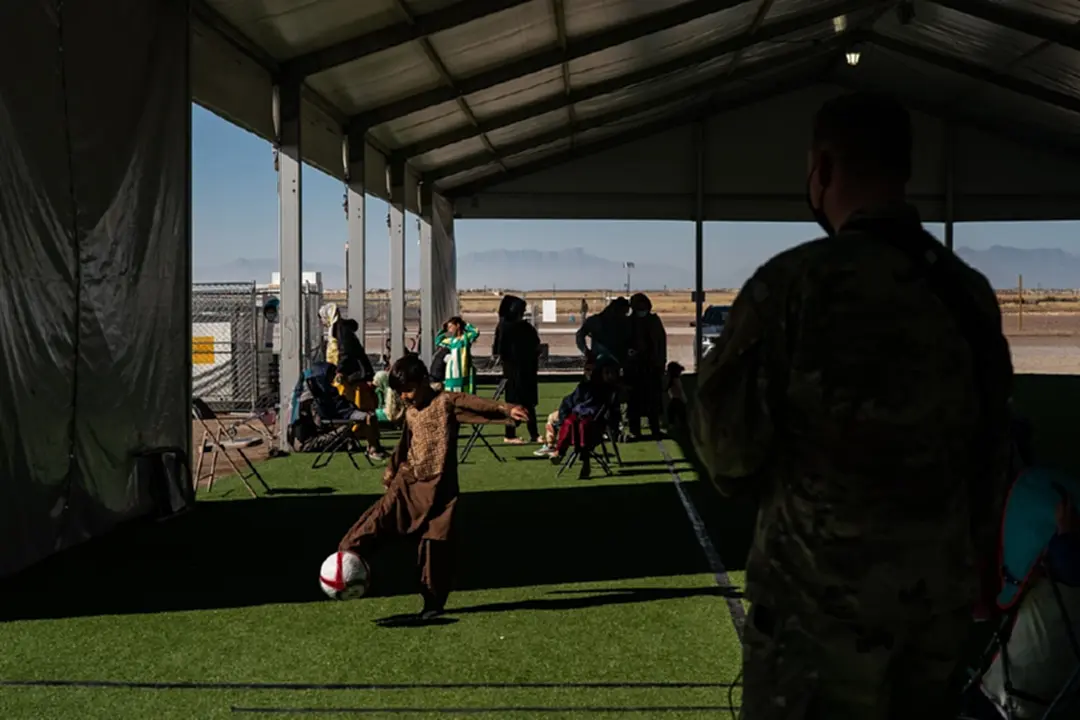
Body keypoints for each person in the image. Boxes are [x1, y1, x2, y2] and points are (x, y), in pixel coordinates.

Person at [689, 92, 1014, 718]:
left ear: (823, 168)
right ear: (904, 169)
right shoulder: (965, 293)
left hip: (816, 629)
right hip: (931, 629)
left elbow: (727, 457)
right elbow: (994, 450)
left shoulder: (793, 285)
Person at [337, 355, 529, 620]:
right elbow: (406, 442)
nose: (404, 397)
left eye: (408, 390)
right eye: (400, 392)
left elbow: (474, 403)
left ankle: (433, 603)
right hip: (408, 483)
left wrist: (506, 409)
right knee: (377, 522)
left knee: (435, 546)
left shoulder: (445, 402)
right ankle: (343, 563)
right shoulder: (412, 410)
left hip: (441, 489)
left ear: (424, 381)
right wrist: (392, 470)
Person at [539, 358, 620, 479]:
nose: (589, 373)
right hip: (578, 416)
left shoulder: (607, 389)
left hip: (595, 422)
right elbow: (568, 402)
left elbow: (608, 411)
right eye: (587, 370)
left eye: (591, 370)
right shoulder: (583, 386)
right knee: (569, 422)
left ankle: (584, 458)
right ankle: (559, 452)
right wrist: (563, 416)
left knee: (583, 425)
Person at [326, 306, 385, 460]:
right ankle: (365, 444)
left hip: (354, 378)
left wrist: (339, 370)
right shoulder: (342, 329)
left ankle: (372, 446)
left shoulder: (340, 330)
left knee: (362, 411)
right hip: (355, 378)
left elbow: (345, 353)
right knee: (361, 410)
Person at [494, 295, 541, 445]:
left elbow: (536, 345)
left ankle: (534, 433)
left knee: (528, 403)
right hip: (514, 370)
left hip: (526, 369)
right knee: (514, 403)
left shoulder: (524, 327)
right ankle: (510, 434)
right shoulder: (506, 327)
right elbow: (500, 349)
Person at [625, 293, 666, 440]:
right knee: (634, 401)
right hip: (634, 368)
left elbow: (661, 343)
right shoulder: (629, 322)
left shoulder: (654, 321)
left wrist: (661, 363)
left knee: (653, 401)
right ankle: (635, 430)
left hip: (652, 367)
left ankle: (655, 429)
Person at [575, 297, 631, 365]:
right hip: (600, 362)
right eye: (623, 312)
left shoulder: (626, 323)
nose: (623, 315)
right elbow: (580, 335)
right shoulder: (596, 322)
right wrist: (586, 351)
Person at [435, 316, 479, 394]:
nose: (450, 329)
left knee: (464, 393)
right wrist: (443, 330)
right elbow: (438, 341)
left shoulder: (466, 338)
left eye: (451, 327)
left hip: (463, 370)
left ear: (457, 325)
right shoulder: (451, 341)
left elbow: (476, 332)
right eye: (448, 328)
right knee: (450, 393)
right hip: (451, 371)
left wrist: (465, 324)